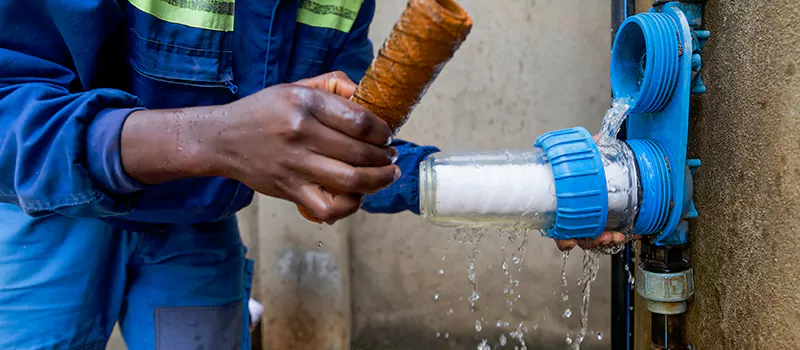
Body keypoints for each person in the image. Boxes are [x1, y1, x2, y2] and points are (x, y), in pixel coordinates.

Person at [0, 1, 625, 349]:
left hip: (194, 228)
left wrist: (532, 192)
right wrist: (215, 139)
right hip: (49, 214)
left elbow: (339, 144)